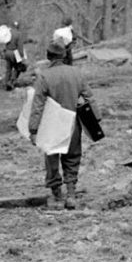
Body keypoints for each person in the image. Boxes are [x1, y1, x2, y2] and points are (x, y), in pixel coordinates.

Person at [28, 40, 99, 210]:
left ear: (48, 56)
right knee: (73, 157)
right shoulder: (76, 73)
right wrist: (96, 119)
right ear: (64, 55)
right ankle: (72, 194)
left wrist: (33, 129)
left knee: (52, 159)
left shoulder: (44, 76)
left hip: (51, 125)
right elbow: (89, 97)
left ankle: (57, 196)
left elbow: (37, 105)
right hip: (73, 122)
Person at [3, 21, 27, 90]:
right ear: (18, 27)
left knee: (8, 69)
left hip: (7, 52)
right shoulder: (18, 34)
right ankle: (11, 82)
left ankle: (6, 83)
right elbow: (20, 46)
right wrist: (22, 56)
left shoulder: (8, 33)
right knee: (18, 68)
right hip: (14, 53)